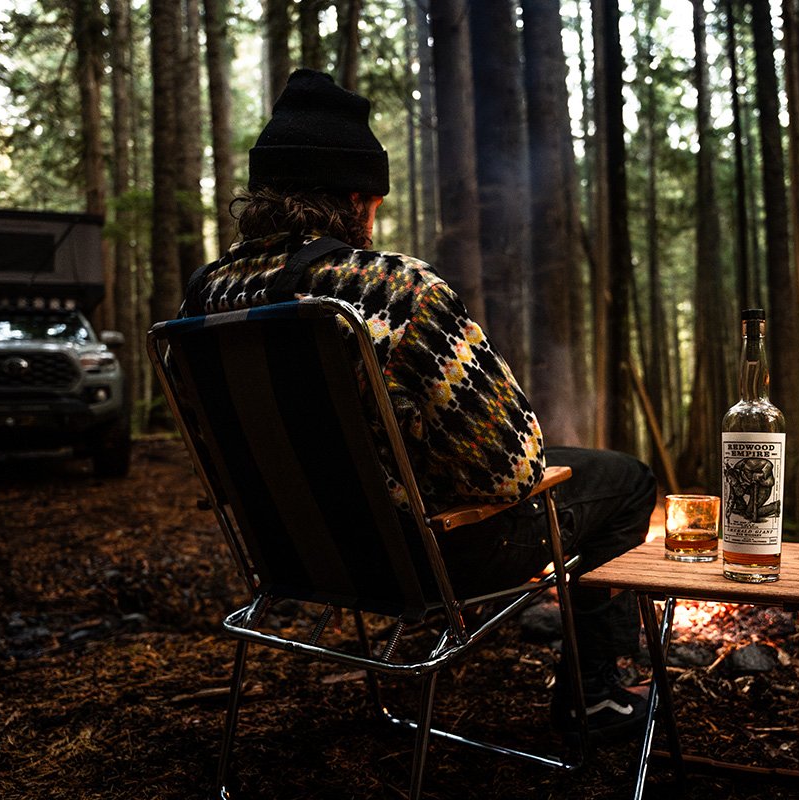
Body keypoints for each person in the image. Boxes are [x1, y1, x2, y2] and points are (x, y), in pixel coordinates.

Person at [182, 69, 657, 743]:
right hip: (417, 559)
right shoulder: (392, 290)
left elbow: (213, 457)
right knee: (625, 478)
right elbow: (510, 472)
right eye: (372, 202)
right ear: (356, 200)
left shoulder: (202, 299)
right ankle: (596, 698)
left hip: (292, 559)